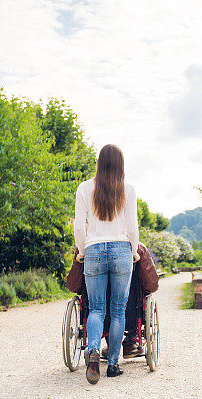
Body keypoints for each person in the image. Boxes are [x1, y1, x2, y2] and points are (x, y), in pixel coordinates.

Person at [74, 144, 139, 384]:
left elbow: (79, 227)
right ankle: (112, 365)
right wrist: (134, 250)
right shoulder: (128, 189)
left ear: (99, 162)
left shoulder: (84, 188)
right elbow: (132, 226)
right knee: (118, 309)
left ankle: (92, 350)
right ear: (121, 164)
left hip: (93, 250)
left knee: (96, 308)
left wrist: (82, 250)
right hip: (121, 249)